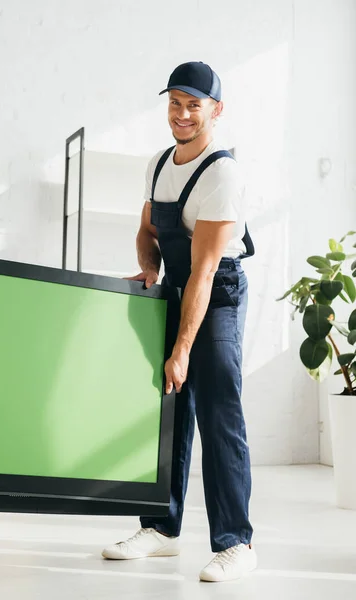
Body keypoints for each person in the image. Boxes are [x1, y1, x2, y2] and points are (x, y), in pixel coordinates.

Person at [102, 61, 256, 583]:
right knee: (167, 411)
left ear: (216, 109)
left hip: (217, 294)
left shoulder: (222, 172)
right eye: (175, 102)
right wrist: (148, 266)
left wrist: (183, 347)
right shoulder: (159, 162)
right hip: (177, 288)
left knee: (218, 413)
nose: (183, 114)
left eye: (195, 104)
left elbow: (207, 268)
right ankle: (162, 529)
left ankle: (236, 542)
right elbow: (148, 230)